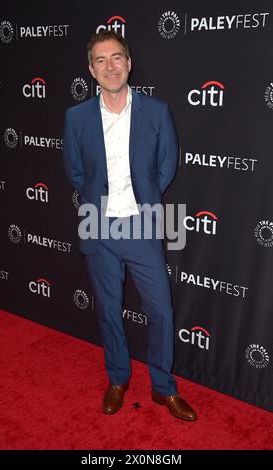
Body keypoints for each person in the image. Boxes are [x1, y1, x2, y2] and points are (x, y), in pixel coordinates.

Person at [63, 30, 197, 421]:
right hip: (97, 223)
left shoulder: (157, 111)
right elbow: (75, 171)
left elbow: (166, 166)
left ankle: (163, 387)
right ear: (91, 70)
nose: (110, 67)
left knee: (161, 311)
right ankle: (118, 379)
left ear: (129, 62)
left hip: (142, 224)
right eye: (101, 61)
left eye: (116, 57)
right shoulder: (75, 118)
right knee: (108, 309)